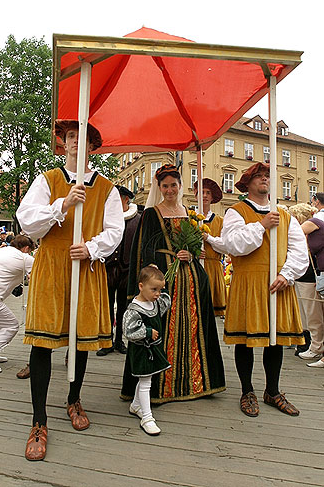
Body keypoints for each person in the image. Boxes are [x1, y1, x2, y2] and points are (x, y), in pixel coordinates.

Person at [16, 120, 124, 461]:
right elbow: (27, 221)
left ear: (92, 146)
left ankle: (73, 398)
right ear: (64, 144)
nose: (76, 142)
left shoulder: (106, 188)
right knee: (43, 341)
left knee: (79, 340)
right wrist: (61, 205)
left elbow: (114, 230)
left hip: (85, 267)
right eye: (71, 137)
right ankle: (39, 420)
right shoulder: (48, 180)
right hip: (52, 266)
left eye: (83, 138)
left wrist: (91, 248)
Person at [121, 164, 225, 404]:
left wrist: (188, 252)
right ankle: (159, 386)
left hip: (190, 278)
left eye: (173, 185)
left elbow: (193, 244)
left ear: (180, 186)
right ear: (159, 188)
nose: (170, 190)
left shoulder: (190, 213)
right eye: (165, 186)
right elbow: (144, 247)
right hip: (163, 280)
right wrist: (152, 270)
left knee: (192, 326)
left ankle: (193, 380)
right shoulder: (151, 213)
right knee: (162, 325)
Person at [220, 162, 308, 417]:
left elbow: (299, 250)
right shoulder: (236, 212)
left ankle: (272, 390)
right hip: (249, 281)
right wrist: (261, 225)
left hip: (278, 283)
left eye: (267, 176)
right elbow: (234, 245)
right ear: (247, 184)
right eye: (258, 176)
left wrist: (287, 274)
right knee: (245, 339)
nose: (264, 180)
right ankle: (247, 390)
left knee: (275, 339)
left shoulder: (285, 214)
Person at [124, 265, 171, 435]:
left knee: (147, 378)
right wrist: (148, 332)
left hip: (153, 350)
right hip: (142, 352)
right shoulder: (134, 309)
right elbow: (128, 331)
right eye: (154, 289)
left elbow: (166, 300)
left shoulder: (155, 303)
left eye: (160, 289)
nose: (157, 294)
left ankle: (136, 405)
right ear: (141, 286)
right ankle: (147, 417)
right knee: (145, 382)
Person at [96, 185, 141, 357]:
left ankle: (119, 340)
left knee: (124, 307)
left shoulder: (137, 220)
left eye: (117, 198)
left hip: (127, 270)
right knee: (106, 306)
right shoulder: (105, 219)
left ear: (126, 199)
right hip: (108, 268)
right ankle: (106, 341)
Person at [0, 235, 34, 374]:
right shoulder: (25, 258)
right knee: (10, 326)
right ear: (26, 248)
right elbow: (36, 277)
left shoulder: (1, 250)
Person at [288, 204, 318, 356]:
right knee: (301, 311)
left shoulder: (308, 232)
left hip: (308, 276)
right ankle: (303, 340)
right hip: (300, 276)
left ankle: (311, 343)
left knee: (310, 312)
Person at [193, 178, 226, 316]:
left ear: (212, 197)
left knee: (211, 315)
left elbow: (225, 247)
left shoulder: (220, 221)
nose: (204, 195)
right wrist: (193, 252)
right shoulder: (189, 218)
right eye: (201, 192)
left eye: (207, 192)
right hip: (194, 267)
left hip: (213, 268)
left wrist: (209, 238)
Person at [299, 210, 324, 368]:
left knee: (314, 314)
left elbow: (295, 234)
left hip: (314, 274)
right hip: (319, 273)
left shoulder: (315, 222)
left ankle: (317, 348)